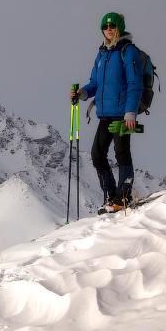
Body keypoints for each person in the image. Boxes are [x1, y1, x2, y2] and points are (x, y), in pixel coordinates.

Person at [70, 11, 142, 212]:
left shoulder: (128, 51)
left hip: (123, 114)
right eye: (105, 27)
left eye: (112, 26)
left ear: (119, 27)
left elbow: (135, 83)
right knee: (97, 154)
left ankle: (123, 197)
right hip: (105, 113)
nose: (108, 30)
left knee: (121, 152)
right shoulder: (102, 53)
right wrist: (83, 92)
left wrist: (131, 112)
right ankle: (112, 196)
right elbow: (96, 82)